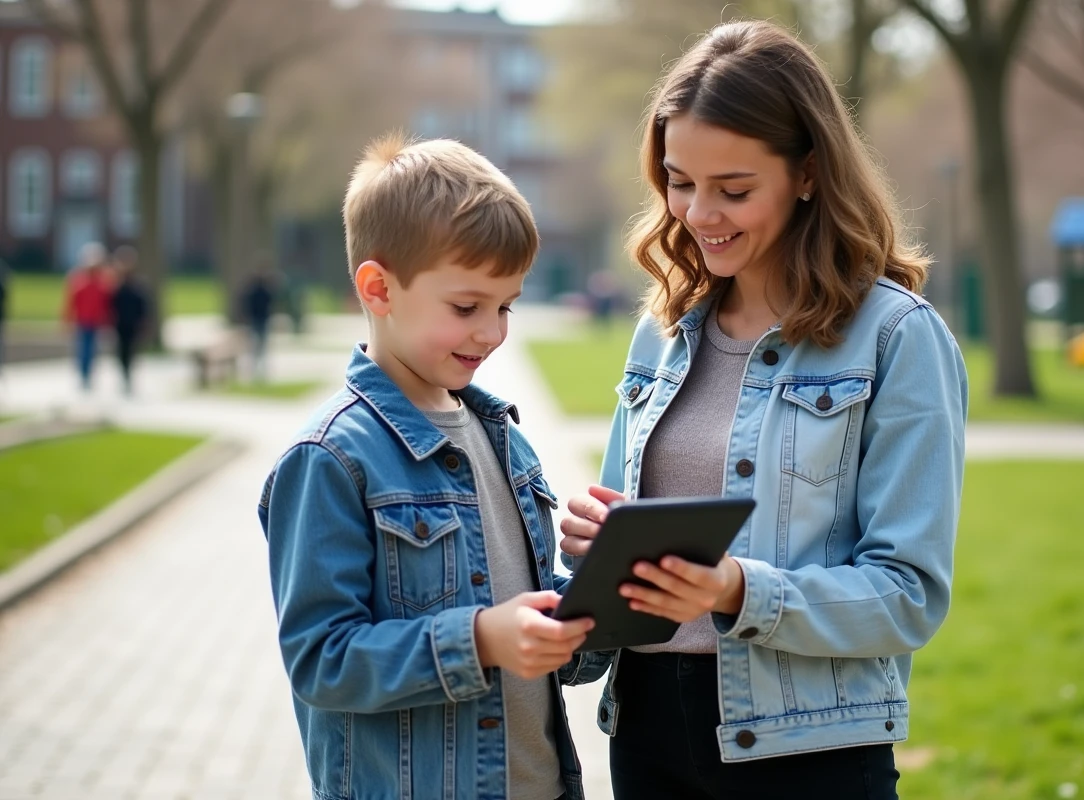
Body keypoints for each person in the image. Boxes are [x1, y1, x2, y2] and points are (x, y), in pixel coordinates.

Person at [557, 20, 968, 800]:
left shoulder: (895, 338)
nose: (698, 213)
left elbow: (910, 594)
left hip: (807, 753)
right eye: (680, 181)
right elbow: (625, 569)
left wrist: (736, 590)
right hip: (645, 733)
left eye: (734, 190)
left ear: (808, 173)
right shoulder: (664, 329)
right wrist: (590, 571)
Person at [257, 134, 594, 800]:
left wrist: (599, 593)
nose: (492, 332)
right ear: (379, 288)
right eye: (466, 307)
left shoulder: (504, 440)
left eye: (506, 307)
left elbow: (531, 633)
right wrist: (478, 641)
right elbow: (322, 661)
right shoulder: (330, 459)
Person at [63, 243, 112, 391]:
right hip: (82, 320)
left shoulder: (102, 282)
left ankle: (89, 374)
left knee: (92, 349)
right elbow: (70, 301)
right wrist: (67, 319)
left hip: (95, 320)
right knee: (82, 348)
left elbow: (107, 303)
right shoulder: (79, 280)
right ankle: (83, 374)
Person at [109, 246, 150, 395]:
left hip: (133, 324)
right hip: (120, 324)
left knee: (131, 351)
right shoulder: (116, 286)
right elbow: (111, 304)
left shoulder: (137, 286)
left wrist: (144, 322)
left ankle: (128, 376)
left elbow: (144, 306)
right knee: (121, 352)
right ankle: (124, 376)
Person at [240, 261, 275, 381]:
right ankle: (256, 371)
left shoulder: (260, 289)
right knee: (257, 348)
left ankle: (259, 371)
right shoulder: (258, 289)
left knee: (260, 348)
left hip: (261, 320)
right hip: (258, 320)